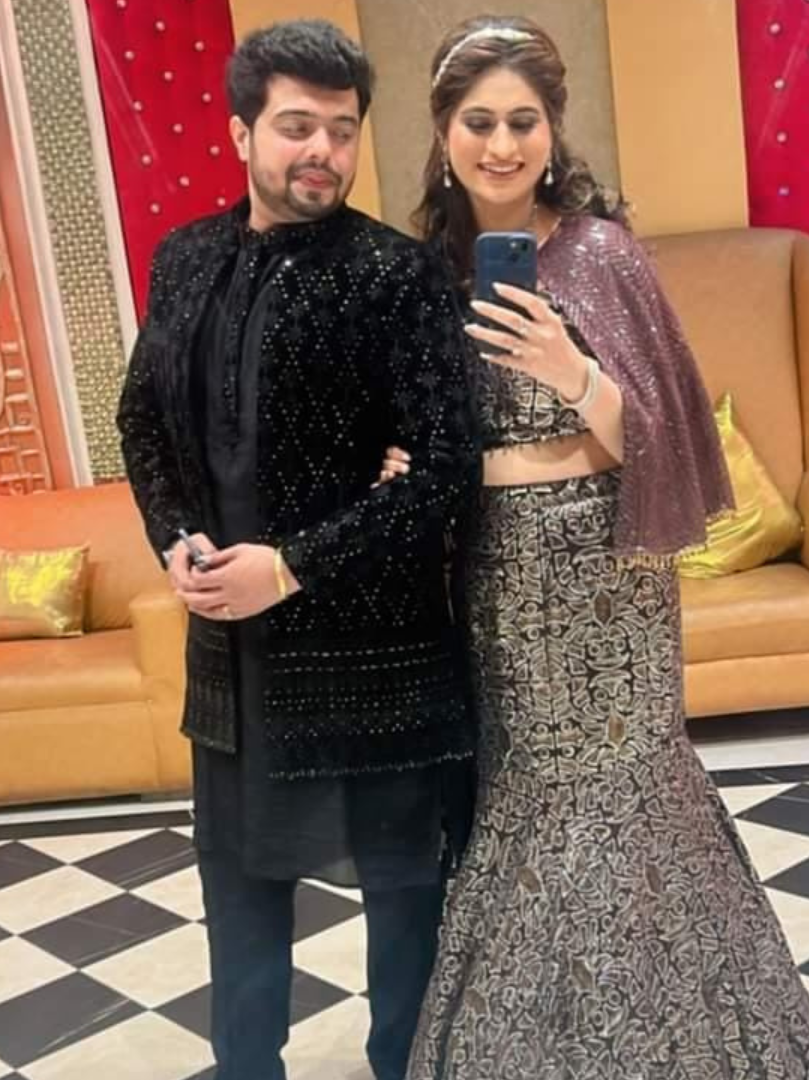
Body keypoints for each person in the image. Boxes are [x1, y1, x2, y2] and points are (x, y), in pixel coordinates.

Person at [383, 16, 809, 1079]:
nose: (503, 144)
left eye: (524, 121)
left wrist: (572, 372)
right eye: (479, 121)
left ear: (554, 129)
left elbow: (665, 437)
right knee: (532, 797)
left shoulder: (602, 255)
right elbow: (414, 442)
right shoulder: (419, 280)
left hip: (614, 583)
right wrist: (404, 462)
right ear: (443, 132)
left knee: (629, 791)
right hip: (498, 586)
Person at [115, 20, 479, 1080]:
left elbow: (447, 467)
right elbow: (141, 421)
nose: (322, 149)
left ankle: (409, 1068)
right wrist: (174, 536)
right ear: (241, 133)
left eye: (341, 128)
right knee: (238, 893)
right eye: (296, 126)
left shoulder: (397, 275)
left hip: (381, 655)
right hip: (236, 659)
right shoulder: (184, 259)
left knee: (405, 898)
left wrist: (288, 565)